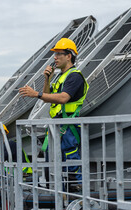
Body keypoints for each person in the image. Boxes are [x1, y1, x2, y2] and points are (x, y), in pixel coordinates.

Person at [19, 38, 89, 183]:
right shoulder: (60, 77)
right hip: (58, 124)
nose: (55, 58)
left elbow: (63, 98)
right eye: (54, 55)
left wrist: (36, 94)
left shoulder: (74, 76)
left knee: (70, 160)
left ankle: (75, 192)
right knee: (54, 161)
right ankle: (58, 194)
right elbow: (47, 97)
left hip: (68, 125)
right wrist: (47, 79)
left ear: (69, 56)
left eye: (58, 54)